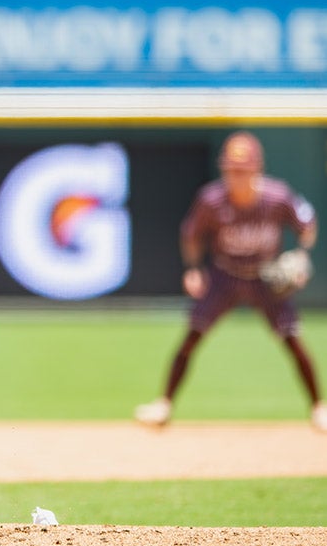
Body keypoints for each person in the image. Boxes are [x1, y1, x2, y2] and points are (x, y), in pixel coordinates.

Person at [135, 130, 326, 432]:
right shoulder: (211, 200)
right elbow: (192, 235)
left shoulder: (277, 196)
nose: (235, 177)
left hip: (266, 278)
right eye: (230, 171)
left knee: (292, 339)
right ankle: (164, 404)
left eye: (242, 171)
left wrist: (301, 255)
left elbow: (307, 223)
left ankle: (319, 407)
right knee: (192, 336)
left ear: (257, 169)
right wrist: (194, 268)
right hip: (225, 275)